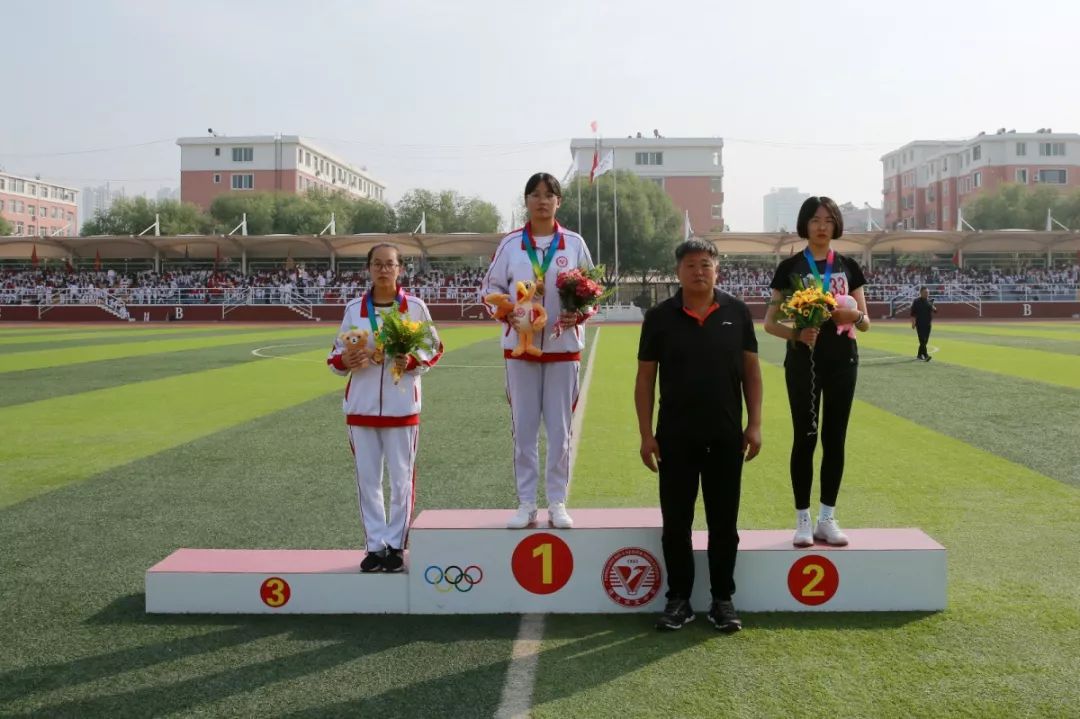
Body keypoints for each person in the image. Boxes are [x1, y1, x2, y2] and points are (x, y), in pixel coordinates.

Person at [635, 239, 762, 632]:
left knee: (724, 524)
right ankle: (679, 600)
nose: (698, 271)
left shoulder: (737, 313)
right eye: (690, 265)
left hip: (726, 437)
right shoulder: (659, 317)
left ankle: (722, 600)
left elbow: (751, 374)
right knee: (677, 524)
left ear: (717, 269)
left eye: (705, 264)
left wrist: (754, 424)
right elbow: (645, 380)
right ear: (678, 272)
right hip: (675, 436)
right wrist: (645, 435)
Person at [480, 173, 595, 530]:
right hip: (520, 349)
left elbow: (593, 290)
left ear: (558, 201)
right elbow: (489, 288)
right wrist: (507, 313)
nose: (542, 201)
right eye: (535, 194)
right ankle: (527, 503)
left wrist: (582, 312)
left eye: (549, 195)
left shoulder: (573, 243)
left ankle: (557, 502)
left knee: (561, 431)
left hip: (563, 349)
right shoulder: (511, 244)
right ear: (526, 201)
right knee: (524, 429)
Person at [327, 243, 443, 572]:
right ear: (368, 268)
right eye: (377, 264)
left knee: (402, 479)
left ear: (400, 269)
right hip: (360, 408)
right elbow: (334, 357)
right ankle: (374, 545)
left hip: (402, 406)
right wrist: (344, 360)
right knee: (368, 480)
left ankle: (396, 545)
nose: (383, 270)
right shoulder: (354, 309)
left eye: (389, 264)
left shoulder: (415, 307)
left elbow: (434, 348)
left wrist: (412, 362)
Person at [763, 196, 869, 548]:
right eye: (815, 219)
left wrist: (852, 317)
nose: (822, 226)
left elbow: (866, 322)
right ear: (805, 224)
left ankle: (828, 517)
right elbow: (769, 322)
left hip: (843, 361)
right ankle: (802, 520)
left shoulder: (849, 266)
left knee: (834, 439)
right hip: (803, 363)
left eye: (828, 219)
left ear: (836, 224)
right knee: (805, 439)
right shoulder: (790, 268)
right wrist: (796, 333)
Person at [910, 286, 937, 361]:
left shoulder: (929, 302)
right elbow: (912, 313)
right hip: (919, 324)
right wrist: (913, 322)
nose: (927, 294)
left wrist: (933, 306)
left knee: (925, 341)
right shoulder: (916, 301)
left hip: (928, 324)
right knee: (922, 340)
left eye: (928, 292)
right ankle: (926, 355)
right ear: (921, 293)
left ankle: (919, 355)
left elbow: (935, 311)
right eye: (925, 292)